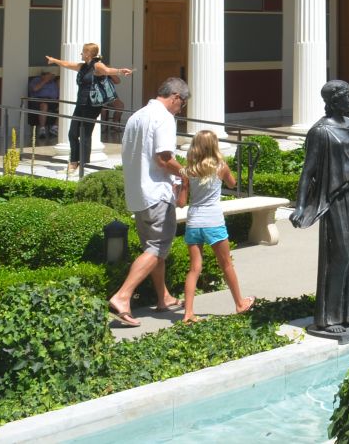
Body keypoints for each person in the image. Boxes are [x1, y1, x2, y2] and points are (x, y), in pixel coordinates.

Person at [289, 80, 349, 334]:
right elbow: (307, 172)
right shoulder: (320, 132)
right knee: (340, 254)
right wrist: (300, 206)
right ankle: (329, 318)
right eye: (346, 96)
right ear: (333, 101)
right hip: (334, 200)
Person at [108, 77, 189, 326]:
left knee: (154, 250)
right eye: (182, 104)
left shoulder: (137, 115)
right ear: (175, 97)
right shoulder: (163, 117)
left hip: (137, 193)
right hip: (156, 193)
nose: (180, 109)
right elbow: (164, 159)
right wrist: (185, 172)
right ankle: (122, 296)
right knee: (157, 248)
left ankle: (163, 297)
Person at [180, 130, 255, 323]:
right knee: (226, 264)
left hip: (194, 221)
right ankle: (240, 303)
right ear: (214, 146)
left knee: (194, 268)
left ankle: (188, 313)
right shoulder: (221, 167)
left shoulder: (188, 171)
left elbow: (181, 202)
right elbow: (232, 183)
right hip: (213, 221)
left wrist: (179, 188)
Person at [46, 43, 132, 175]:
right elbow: (67, 64)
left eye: (83, 52)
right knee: (72, 133)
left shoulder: (97, 65)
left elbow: (108, 71)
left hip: (92, 105)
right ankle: (74, 161)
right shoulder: (82, 67)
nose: (81, 54)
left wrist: (121, 71)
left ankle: (80, 164)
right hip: (81, 103)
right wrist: (54, 60)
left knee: (85, 134)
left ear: (88, 54)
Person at [26, 69, 59, 140]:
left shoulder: (53, 83)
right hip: (38, 100)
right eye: (49, 75)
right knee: (44, 105)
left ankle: (54, 128)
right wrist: (45, 81)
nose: (51, 77)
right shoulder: (36, 80)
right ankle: (42, 130)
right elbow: (35, 89)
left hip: (51, 100)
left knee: (63, 106)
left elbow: (56, 94)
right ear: (43, 75)